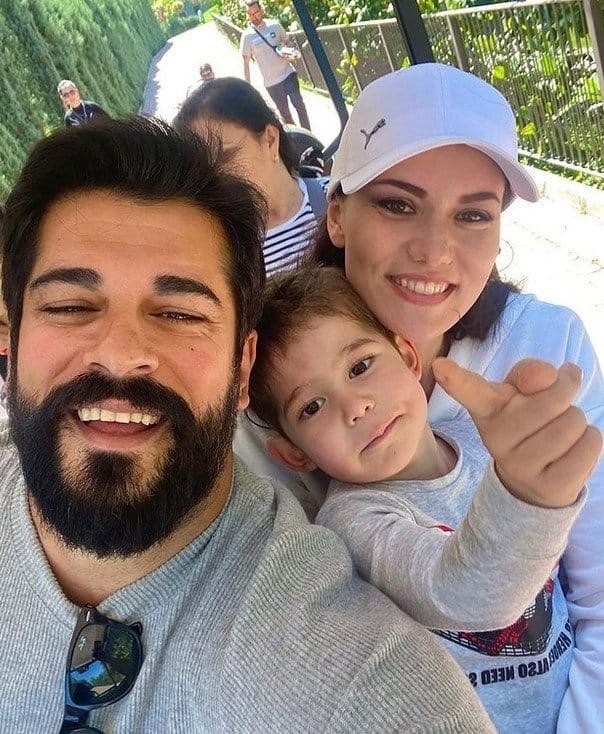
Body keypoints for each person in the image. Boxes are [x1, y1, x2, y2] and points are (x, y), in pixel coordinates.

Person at [0, 116, 493, 732]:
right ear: (11, 339)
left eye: (179, 314)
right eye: (71, 306)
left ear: (242, 369)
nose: (121, 355)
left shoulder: (361, 683)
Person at [235, 63, 604, 731]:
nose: (435, 250)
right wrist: (529, 493)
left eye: (473, 214)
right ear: (338, 214)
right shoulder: (268, 415)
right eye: (398, 204)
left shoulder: (548, 344)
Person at [247, 264, 600, 731]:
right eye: (312, 407)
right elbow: (463, 593)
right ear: (295, 455)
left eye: (360, 366)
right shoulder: (354, 521)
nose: (355, 407)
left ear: (409, 358)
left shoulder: (480, 438)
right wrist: (528, 493)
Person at [174, 77, 327, 275]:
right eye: (203, 172)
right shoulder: (222, 254)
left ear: (270, 140)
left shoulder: (339, 200)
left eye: (225, 156)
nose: (215, 180)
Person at [240, 1, 311, 130]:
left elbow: (288, 42)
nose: (254, 16)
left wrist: (290, 52)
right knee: (285, 115)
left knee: (299, 105)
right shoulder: (247, 37)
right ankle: (297, 138)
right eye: (250, 14)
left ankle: (308, 134)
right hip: (272, 83)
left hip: (288, 73)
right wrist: (247, 86)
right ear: (247, 15)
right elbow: (245, 63)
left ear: (261, 10)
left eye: (256, 13)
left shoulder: (275, 25)